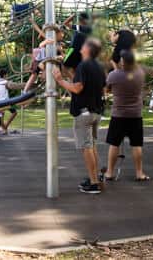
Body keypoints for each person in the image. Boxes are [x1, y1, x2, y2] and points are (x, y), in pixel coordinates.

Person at [53, 38, 106, 194]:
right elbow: (95, 87)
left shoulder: (84, 65)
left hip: (84, 113)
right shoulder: (99, 67)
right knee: (92, 145)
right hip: (95, 112)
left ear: (87, 49)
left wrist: (59, 80)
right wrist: (65, 70)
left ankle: (94, 183)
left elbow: (77, 88)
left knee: (86, 147)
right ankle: (95, 178)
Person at [104, 49, 149, 182]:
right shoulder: (140, 74)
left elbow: (107, 89)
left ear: (123, 62)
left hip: (118, 115)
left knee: (114, 144)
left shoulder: (114, 75)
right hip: (135, 114)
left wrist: (112, 65)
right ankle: (139, 173)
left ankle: (110, 172)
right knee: (136, 144)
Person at [0, 69, 23, 134]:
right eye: (7, 74)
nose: (7, 75)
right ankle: (5, 128)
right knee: (12, 113)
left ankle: (5, 127)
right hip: (5, 101)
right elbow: (11, 85)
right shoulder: (5, 82)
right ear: (5, 75)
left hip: (0, 101)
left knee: (3, 114)